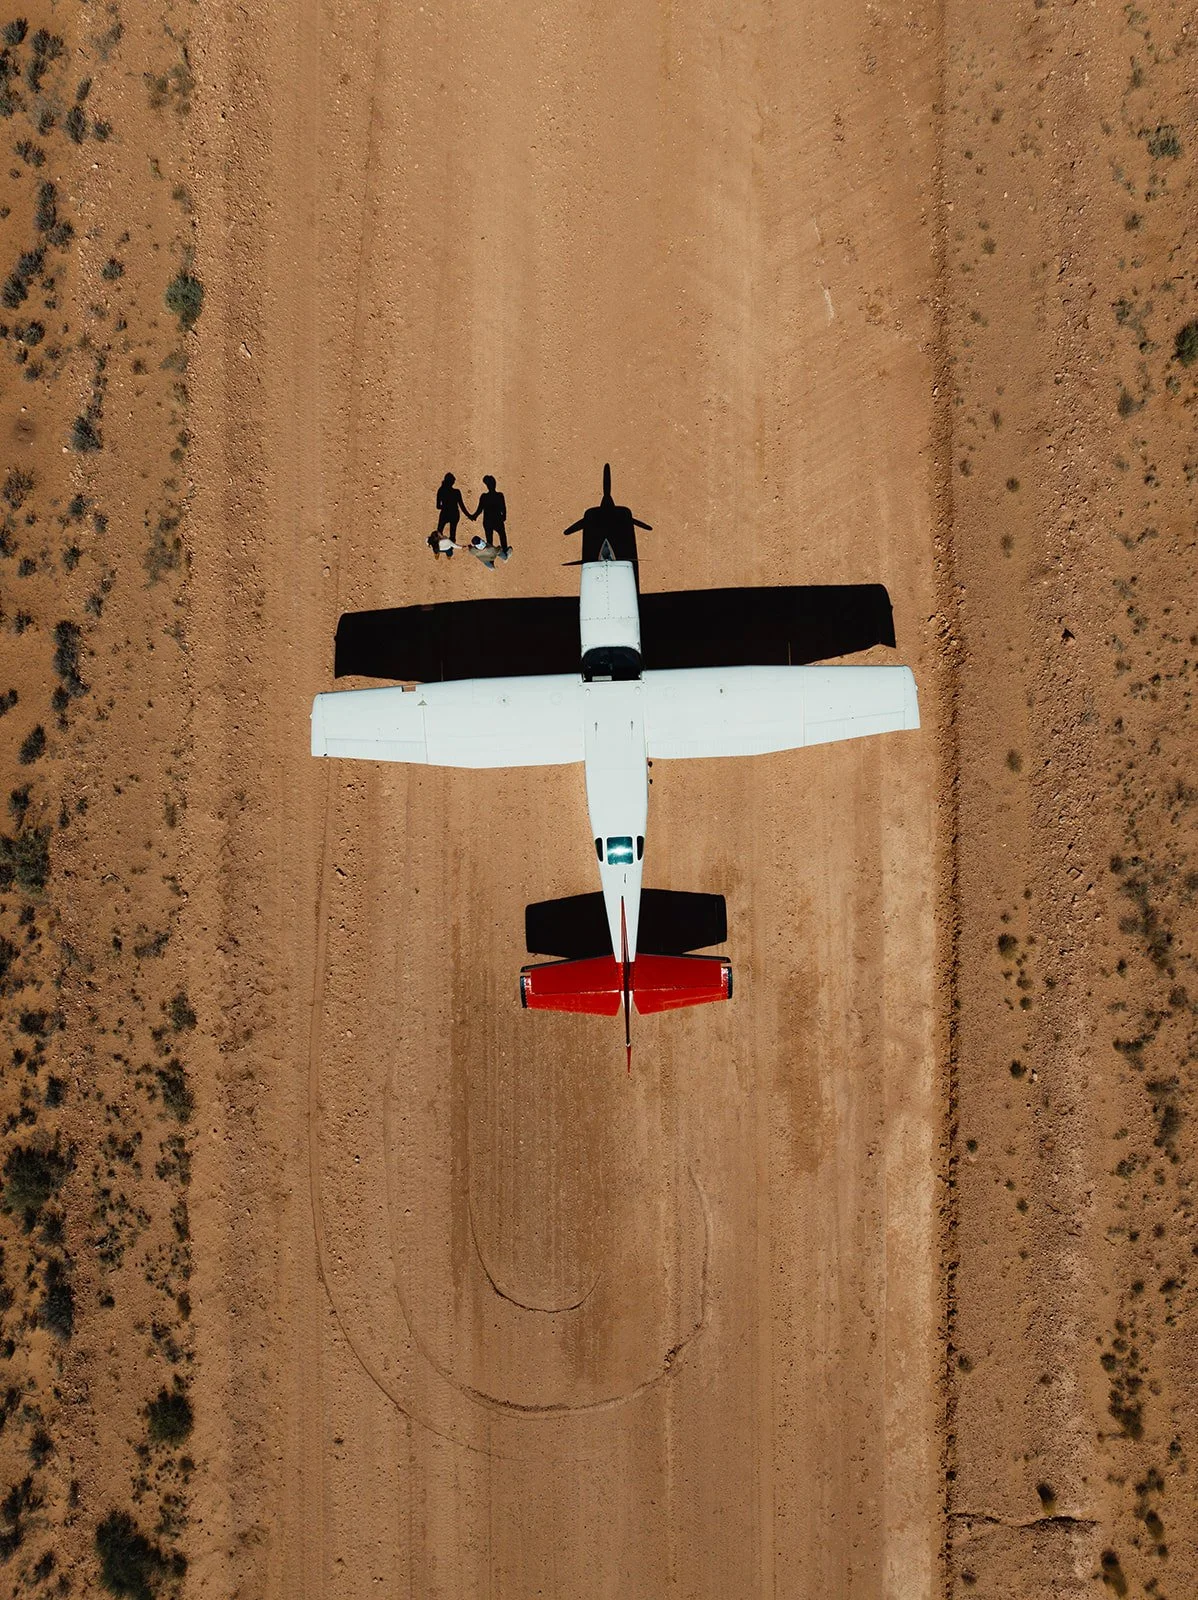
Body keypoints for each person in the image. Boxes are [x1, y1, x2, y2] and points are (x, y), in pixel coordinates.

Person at [433, 472, 474, 552]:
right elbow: (462, 506)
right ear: (452, 482)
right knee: (452, 534)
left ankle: (436, 551)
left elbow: (438, 506)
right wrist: (469, 516)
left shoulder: (441, 490)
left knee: (438, 533)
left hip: (444, 514)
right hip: (454, 514)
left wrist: (445, 506)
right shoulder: (457, 492)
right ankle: (449, 551)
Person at [471, 475, 509, 553]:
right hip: (498, 520)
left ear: (487, 486)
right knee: (502, 536)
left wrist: (474, 516)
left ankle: (491, 559)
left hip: (487, 521)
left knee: (489, 540)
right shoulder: (500, 495)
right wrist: (504, 516)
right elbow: (503, 508)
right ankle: (505, 552)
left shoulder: (484, 497)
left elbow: (479, 509)